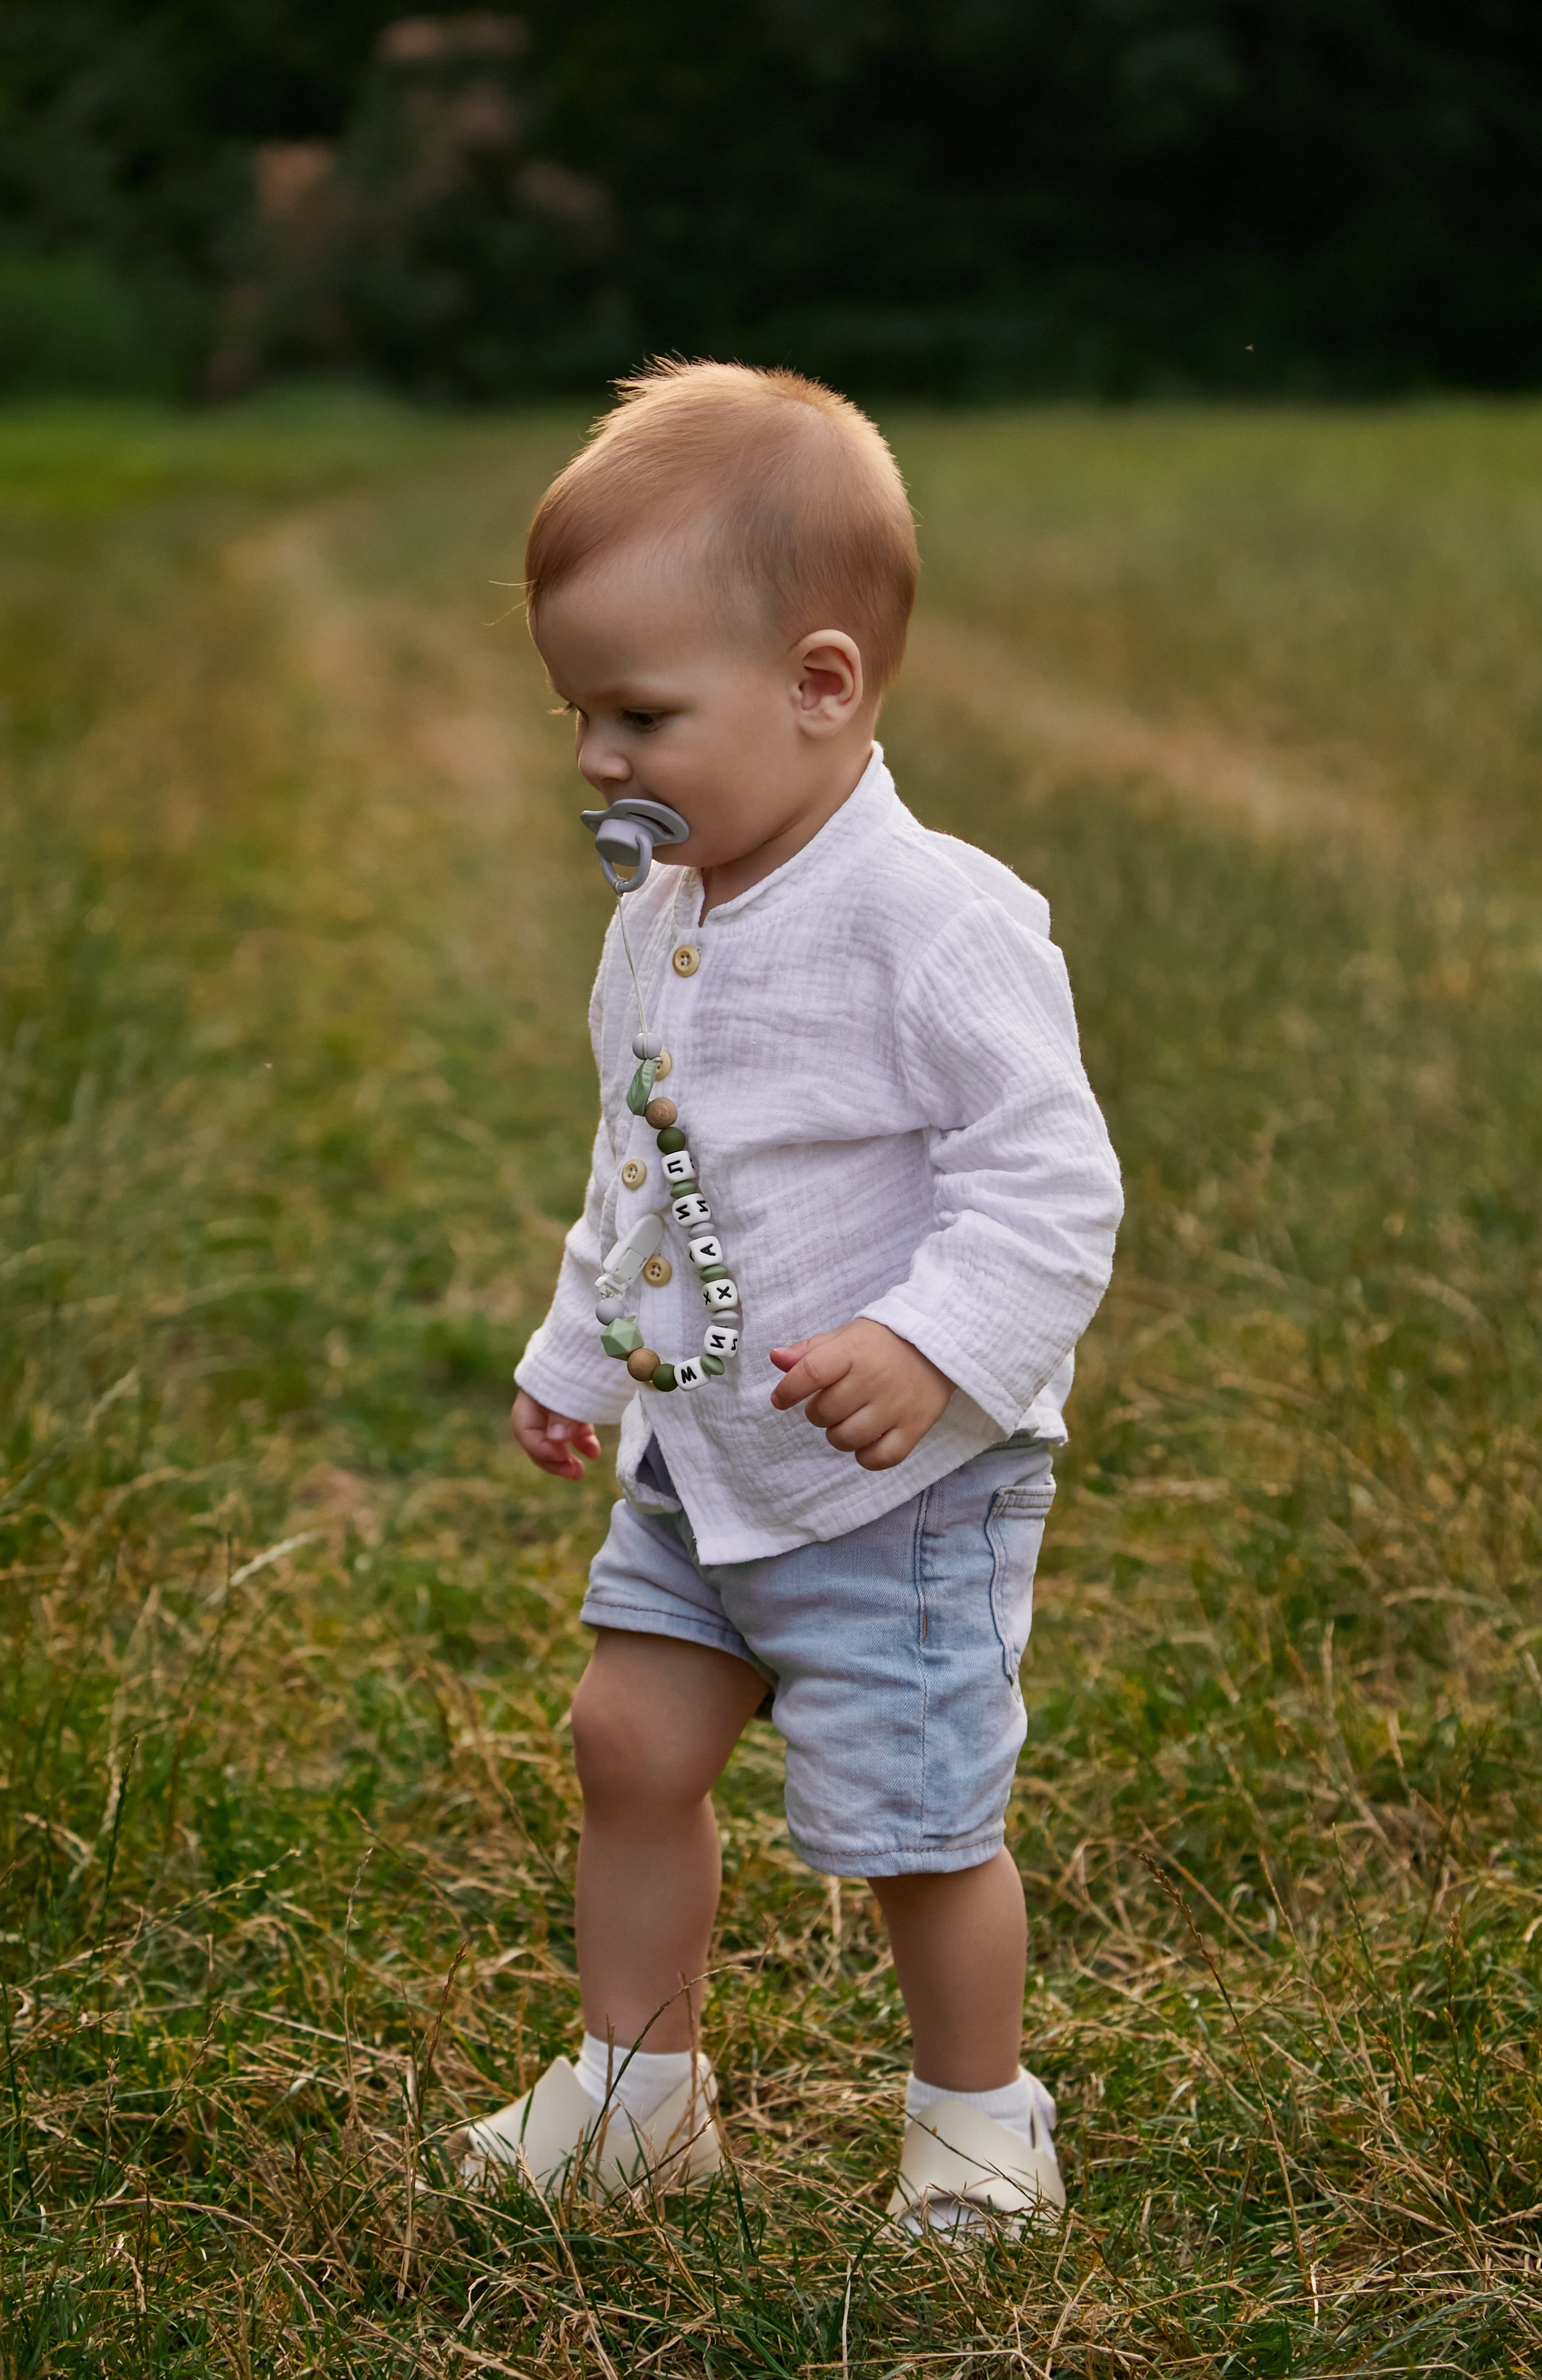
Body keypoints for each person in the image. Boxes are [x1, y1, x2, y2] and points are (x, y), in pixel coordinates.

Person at [454, 360, 1123, 2234]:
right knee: (625, 1742)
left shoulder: (935, 920)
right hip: (704, 1455)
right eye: (579, 713)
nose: (597, 759)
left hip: (898, 1487)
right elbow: (645, 1165)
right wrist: (578, 1350)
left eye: (641, 713)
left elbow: (1052, 1181)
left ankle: (981, 2123)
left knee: (915, 1827)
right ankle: (637, 2093)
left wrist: (930, 1344)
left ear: (823, 686)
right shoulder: (660, 919)